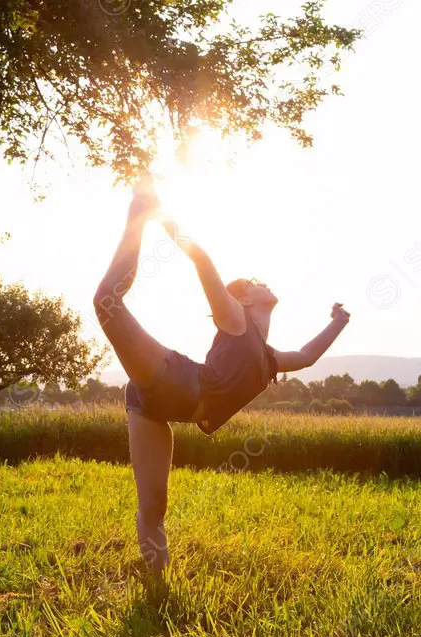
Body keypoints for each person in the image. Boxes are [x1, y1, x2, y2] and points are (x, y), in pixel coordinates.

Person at [93, 174, 351, 577]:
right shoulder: (235, 317)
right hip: (170, 382)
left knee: (154, 508)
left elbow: (307, 355)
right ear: (243, 297)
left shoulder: (268, 359)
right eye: (254, 281)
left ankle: (157, 588)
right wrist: (166, 222)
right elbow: (202, 261)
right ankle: (137, 215)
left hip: (165, 408)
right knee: (106, 302)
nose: (263, 282)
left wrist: (340, 322)